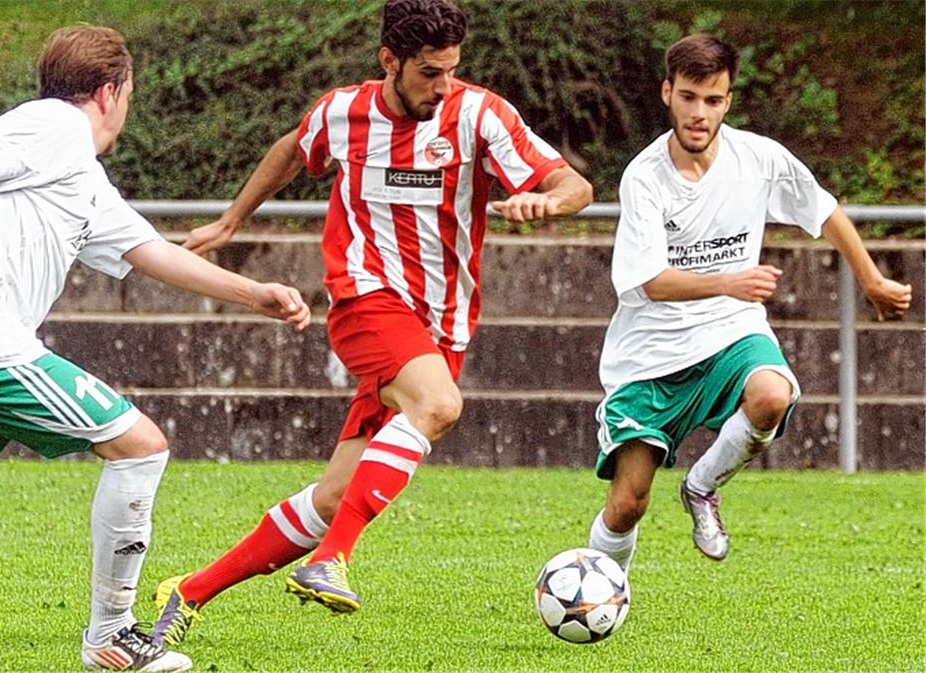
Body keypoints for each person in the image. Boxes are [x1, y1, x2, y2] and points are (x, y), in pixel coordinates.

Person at [150, 0, 592, 645]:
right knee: (439, 405)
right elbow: (291, 148)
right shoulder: (343, 112)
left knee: (335, 496)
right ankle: (331, 560)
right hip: (365, 299)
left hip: (440, 326)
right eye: (428, 74)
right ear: (390, 61)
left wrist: (546, 200)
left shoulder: (479, 115)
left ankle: (188, 592)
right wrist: (230, 222)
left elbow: (574, 184)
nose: (442, 87)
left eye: (450, 71)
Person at [0, 25, 310, 672]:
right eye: (129, 93)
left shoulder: (79, 177)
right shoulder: (54, 125)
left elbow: (147, 253)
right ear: (110, 92)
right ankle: (111, 635)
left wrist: (254, 292)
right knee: (139, 444)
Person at [586, 34, 912, 574]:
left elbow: (824, 211)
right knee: (627, 506)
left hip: (728, 331)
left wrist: (873, 280)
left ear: (728, 101)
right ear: (667, 93)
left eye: (712, 100)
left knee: (771, 395)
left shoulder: (758, 158)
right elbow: (647, 282)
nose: (699, 113)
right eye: (688, 97)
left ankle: (702, 487)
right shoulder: (644, 177)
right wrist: (728, 281)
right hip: (651, 356)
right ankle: (598, 589)